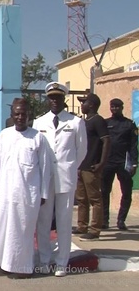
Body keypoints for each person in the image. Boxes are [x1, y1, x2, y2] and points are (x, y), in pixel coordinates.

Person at [0, 98, 51, 278]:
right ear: (12, 115)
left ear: (29, 115)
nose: (20, 117)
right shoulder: (4, 135)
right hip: (5, 192)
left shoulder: (38, 138)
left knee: (22, 231)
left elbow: (45, 168)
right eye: (17, 114)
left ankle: (21, 267)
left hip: (27, 194)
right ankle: (0, 262)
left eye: (24, 114)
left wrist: (43, 194)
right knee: (3, 228)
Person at [33, 82, 87, 277]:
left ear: (64, 98)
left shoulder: (75, 122)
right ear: (48, 99)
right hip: (45, 179)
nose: (54, 101)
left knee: (64, 222)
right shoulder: (39, 123)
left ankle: (62, 263)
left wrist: (70, 167)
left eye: (58, 97)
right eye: (51, 97)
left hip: (66, 178)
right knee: (43, 222)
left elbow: (81, 151)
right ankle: (45, 260)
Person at [74, 94, 110, 241]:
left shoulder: (98, 121)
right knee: (81, 198)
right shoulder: (83, 121)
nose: (82, 105)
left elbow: (106, 141)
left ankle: (95, 229)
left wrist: (101, 163)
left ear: (92, 105)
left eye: (84, 102)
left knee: (95, 199)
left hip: (92, 166)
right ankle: (82, 225)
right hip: (81, 165)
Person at [102, 98, 138, 231]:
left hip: (124, 163)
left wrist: (134, 164)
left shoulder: (129, 124)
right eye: (113, 106)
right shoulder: (106, 123)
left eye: (117, 106)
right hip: (108, 162)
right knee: (104, 191)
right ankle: (104, 220)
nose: (115, 109)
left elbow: (134, 146)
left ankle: (121, 220)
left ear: (122, 108)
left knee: (126, 192)